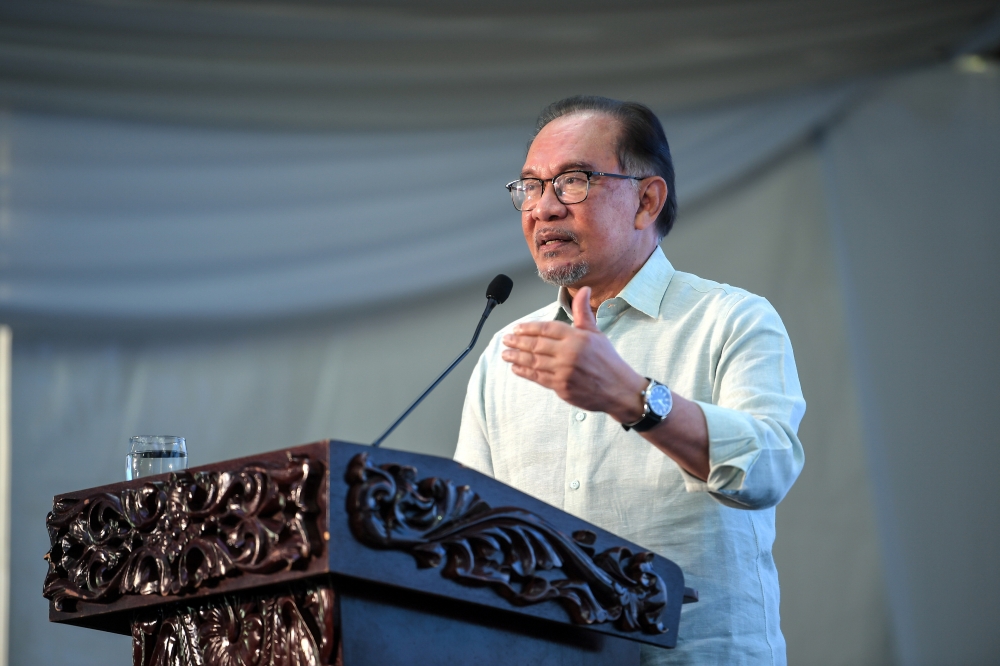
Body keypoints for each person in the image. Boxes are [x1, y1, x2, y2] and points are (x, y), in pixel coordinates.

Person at [454, 95, 806, 665]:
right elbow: (473, 537)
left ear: (647, 199)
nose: (543, 209)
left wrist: (634, 398)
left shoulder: (730, 319)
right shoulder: (505, 352)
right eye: (530, 187)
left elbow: (768, 469)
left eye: (572, 181)